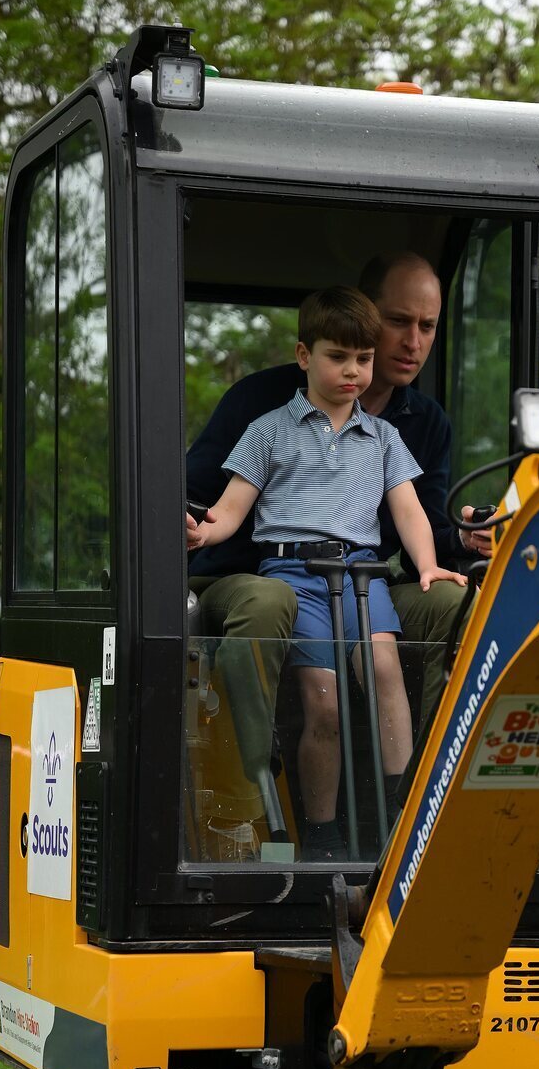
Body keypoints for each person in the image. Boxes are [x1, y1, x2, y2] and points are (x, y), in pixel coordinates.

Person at [189, 286, 466, 858]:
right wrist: (202, 532)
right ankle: (321, 830)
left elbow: (409, 510)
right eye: (338, 357)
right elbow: (233, 508)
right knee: (324, 702)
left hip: (362, 574)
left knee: (386, 669)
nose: (353, 372)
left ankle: (398, 810)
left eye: (362, 360)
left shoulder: (384, 437)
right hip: (294, 571)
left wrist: (430, 565)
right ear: (303, 356)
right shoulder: (269, 428)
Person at [185, 251, 490, 730]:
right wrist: (193, 528)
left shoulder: (423, 425)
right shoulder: (262, 406)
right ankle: (247, 797)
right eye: (398, 320)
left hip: (358, 581)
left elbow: (419, 525)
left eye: (428, 326)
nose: (414, 342)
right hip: (249, 576)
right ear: (363, 314)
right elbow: (194, 499)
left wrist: (462, 538)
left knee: (458, 607)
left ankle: (424, 791)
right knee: (268, 602)